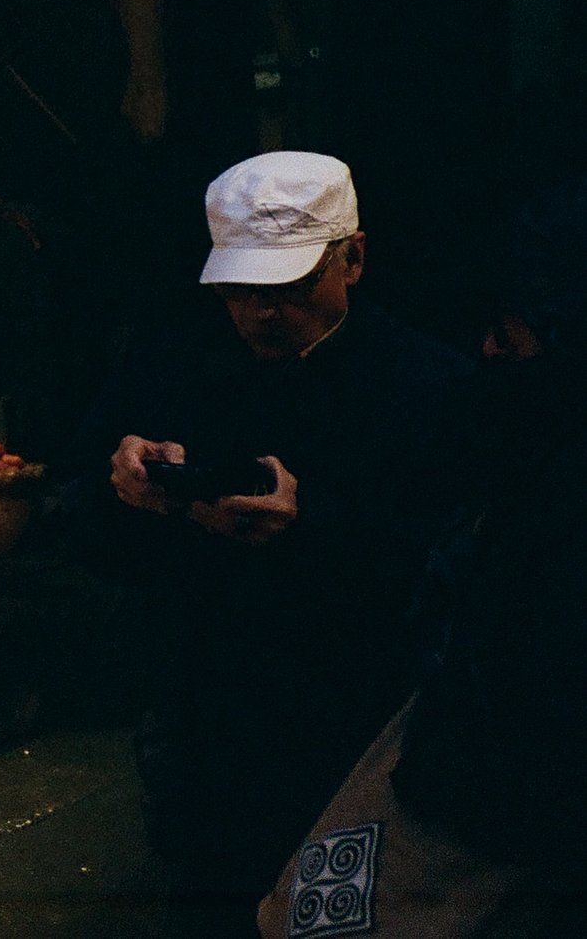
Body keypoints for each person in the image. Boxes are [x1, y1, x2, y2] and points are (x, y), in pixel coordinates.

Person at [63, 151, 476, 928]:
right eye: (239, 291)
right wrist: (124, 493)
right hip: (201, 699)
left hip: (355, 710)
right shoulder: (170, 365)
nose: (260, 313)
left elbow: (453, 570)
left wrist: (311, 531)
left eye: (288, 288)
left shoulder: (430, 385)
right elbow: (76, 528)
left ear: (352, 258)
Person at [256, 180, 587, 939]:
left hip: (489, 800)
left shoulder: (482, 410)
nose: (492, 348)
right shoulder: (519, 422)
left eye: (513, 330)